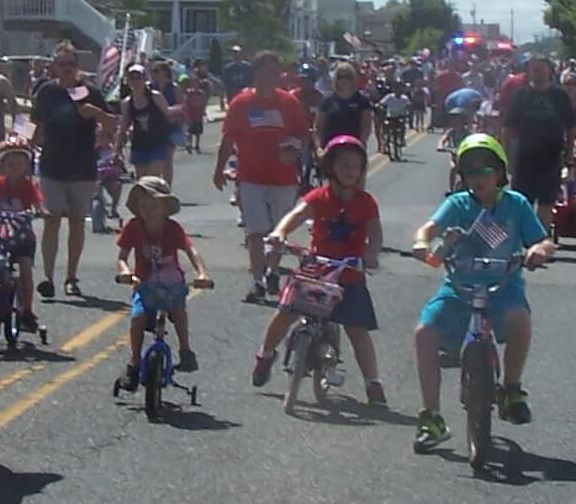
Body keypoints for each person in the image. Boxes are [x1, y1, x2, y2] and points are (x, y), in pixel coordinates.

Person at [409, 133, 554, 453]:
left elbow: (543, 240)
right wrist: (422, 242)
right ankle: (431, 416)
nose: (479, 177)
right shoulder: (457, 204)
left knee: (520, 319)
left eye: (486, 169)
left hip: (503, 286)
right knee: (424, 333)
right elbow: (428, 229)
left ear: (501, 172)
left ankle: (511, 389)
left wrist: (538, 251)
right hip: (460, 287)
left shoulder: (516, 204)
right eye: (471, 171)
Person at [252, 134, 388, 406]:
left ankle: (373, 382)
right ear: (330, 168)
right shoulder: (318, 197)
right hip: (317, 269)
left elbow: (375, 232)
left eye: (355, 165)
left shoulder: (365, 202)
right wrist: (279, 233)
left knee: (356, 328)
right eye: (344, 164)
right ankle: (265, 355)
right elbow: (296, 215)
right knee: (285, 312)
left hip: (349, 272)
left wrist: (371, 254)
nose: (350, 171)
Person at [213, 51, 311, 296]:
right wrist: (218, 170)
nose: (272, 78)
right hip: (251, 176)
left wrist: (296, 151)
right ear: (256, 74)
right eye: (267, 72)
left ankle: (272, 272)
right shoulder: (241, 104)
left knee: (278, 231)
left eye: (276, 73)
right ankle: (257, 280)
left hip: (283, 178)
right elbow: (228, 139)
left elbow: (303, 134)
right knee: (255, 231)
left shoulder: (289, 102)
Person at [28, 42, 110, 300]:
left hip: (83, 166)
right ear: (54, 66)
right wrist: (22, 150)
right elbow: (35, 126)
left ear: (77, 66)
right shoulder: (46, 93)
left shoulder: (91, 92)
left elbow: (112, 124)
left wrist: (95, 113)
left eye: (70, 65)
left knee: (76, 222)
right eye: (61, 65)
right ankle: (48, 277)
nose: (66, 70)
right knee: (51, 220)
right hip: (52, 165)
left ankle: (71, 277)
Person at [115, 177, 212, 380]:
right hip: (143, 283)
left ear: (165, 208)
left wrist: (202, 273)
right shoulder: (133, 227)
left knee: (178, 312)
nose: (149, 210)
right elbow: (122, 257)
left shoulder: (173, 228)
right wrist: (124, 271)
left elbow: (190, 250)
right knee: (138, 318)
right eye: (144, 206)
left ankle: (185, 350)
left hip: (171, 283)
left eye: (154, 206)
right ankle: (134, 360)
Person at [501, 55, 576, 241]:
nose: (538, 72)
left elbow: (570, 128)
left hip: (551, 155)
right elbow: (508, 127)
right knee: (522, 200)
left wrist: (569, 155)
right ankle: (523, 240)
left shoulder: (559, 96)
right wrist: (505, 156)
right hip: (525, 155)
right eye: (535, 68)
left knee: (546, 201)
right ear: (529, 71)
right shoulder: (520, 95)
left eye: (542, 68)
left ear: (550, 71)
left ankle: (540, 240)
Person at [0, 140, 45, 337]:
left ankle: (27, 311)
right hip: (2, 235)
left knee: (25, 271)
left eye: (20, 164)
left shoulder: (29, 186)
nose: (15, 168)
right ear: (3, 165)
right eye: (10, 164)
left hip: (23, 236)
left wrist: (41, 210)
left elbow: (38, 202)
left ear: (27, 165)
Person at [114, 63, 179, 181]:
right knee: (142, 183)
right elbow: (123, 126)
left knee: (152, 180)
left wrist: (181, 111)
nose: (135, 81)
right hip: (139, 145)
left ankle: (163, 195)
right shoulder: (127, 103)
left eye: (138, 78)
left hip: (157, 143)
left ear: (145, 79)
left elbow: (167, 113)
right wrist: (117, 149)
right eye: (131, 78)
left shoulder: (155, 96)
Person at [313, 60, 376, 152]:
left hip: (354, 147)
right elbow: (318, 127)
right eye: (340, 77)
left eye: (347, 77)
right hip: (331, 147)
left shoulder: (362, 100)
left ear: (353, 78)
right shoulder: (327, 101)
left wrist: (362, 142)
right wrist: (319, 147)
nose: (344, 80)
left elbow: (366, 125)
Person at [180, 67, 212, 155]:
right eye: (193, 83)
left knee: (198, 131)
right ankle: (189, 144)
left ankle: (197, 145)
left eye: (197, 83)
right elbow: (186, 102)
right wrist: (185, 113)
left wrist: (203, 111)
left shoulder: (201, 93)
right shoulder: (189, 93)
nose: (195, 85)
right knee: (189, 131)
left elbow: (203, 103)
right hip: (191, 114)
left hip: (198, 114)